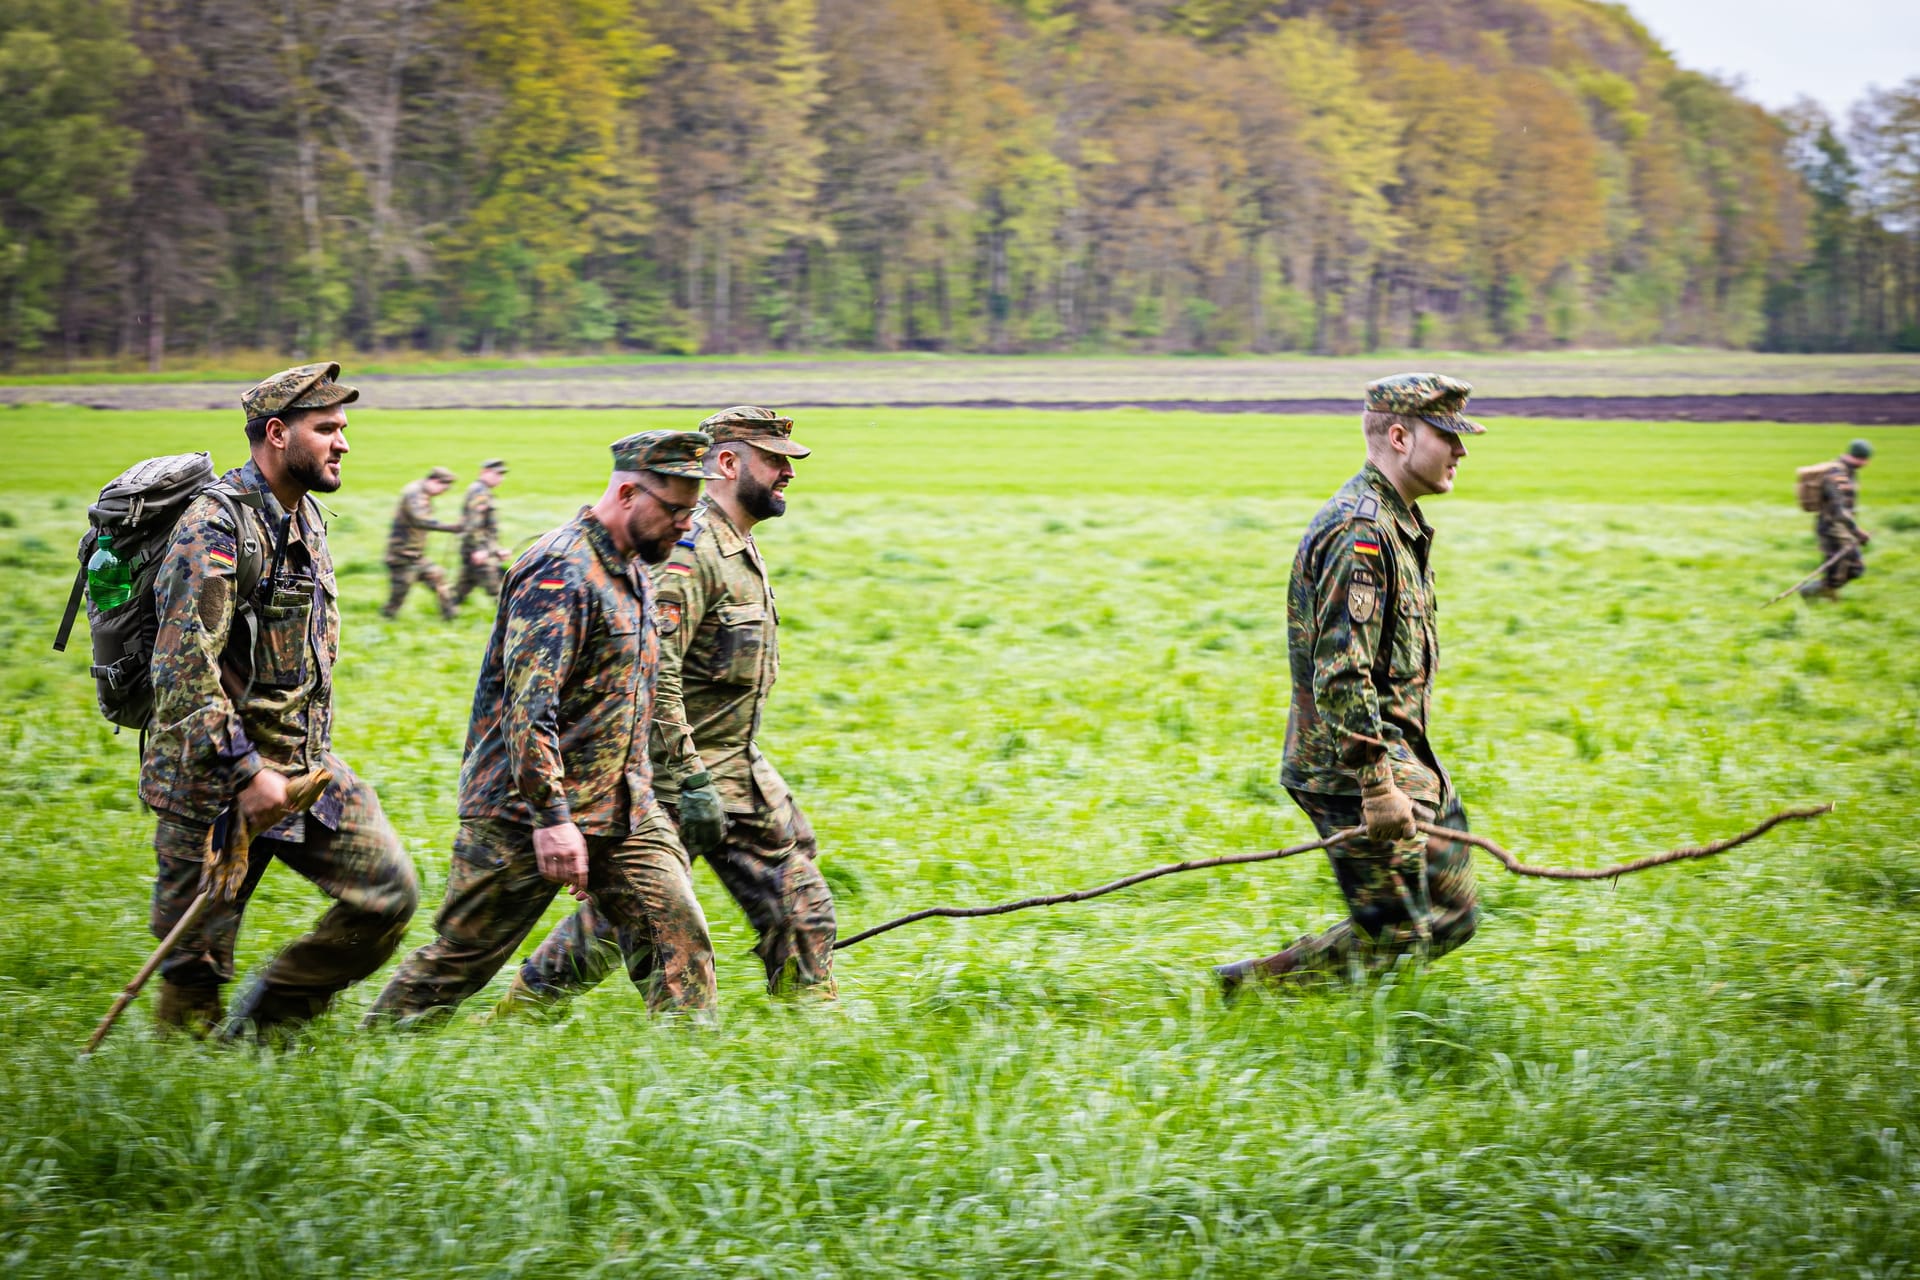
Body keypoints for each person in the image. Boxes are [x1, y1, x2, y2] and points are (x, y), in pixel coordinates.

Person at [367, 430, 720, 1026]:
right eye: (676, 509)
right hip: (523, 813)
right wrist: (553, 822)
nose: (686, 526)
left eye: (694, 510)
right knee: (461, 961)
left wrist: (679, 779)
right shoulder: (560, 569)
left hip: (623, 806)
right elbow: (528, 709)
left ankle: (697, 1080)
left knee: (677, 936)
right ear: (629, 493)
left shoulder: (634, 567)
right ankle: (371, 1052)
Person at [503, 407, 836, 1012]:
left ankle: (812, 1030)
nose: (788, 471)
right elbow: (654, 676)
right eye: (775, 459)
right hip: (673, 774)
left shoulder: (737, 546)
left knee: (799, 900)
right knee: (629, 921)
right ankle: (524, 1011)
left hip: (735, 766)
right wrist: (690, 779)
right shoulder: (690, 551)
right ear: (727, 463)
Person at [143, 361, 418, 1038]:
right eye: (326, 429)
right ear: (276, 434)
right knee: (195, 968)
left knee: (388, 895)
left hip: (302, 771)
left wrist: (281, 770)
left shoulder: (307, 517)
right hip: (214, 784)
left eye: (343, 428)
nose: (343, 442)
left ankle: (267, 1025)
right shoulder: (213, 526)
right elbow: (182, 671)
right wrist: (245, 773)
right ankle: (180, 1100)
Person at [1217, 373, 1484, 995]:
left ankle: (1259, 984)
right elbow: (1342, 671)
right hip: (1350, 766)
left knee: (1452, 914)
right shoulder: (1358, 534)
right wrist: (1376, 785)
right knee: (1398, 935)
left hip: (1405, 758)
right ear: (1399, 436)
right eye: (1448, 435)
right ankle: (1265, 997)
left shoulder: (1399, 526)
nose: (1461, 451)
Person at [382, 465, 462, 620]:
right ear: (434, 481)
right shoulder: (413, 493)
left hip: (416, 556)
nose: (442, 492)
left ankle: (451, 617)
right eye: (443, 488)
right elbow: (419, 520)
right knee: (398, 597)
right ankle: (386, 619)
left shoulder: (423, 494)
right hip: (401, 556)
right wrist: (450, 527)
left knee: (439, 579)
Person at [1803, 439, 1872, 601]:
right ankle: (1812, 594)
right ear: (1860, 458)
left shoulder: (1846, 472)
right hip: (1832, 530)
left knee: (1854, 569)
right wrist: (1858, 532)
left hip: (1839, 529)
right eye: (1864, 460)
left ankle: (1824, 596)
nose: (1866, 463)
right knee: (1839, 571)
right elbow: (1840, 511)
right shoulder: (1838, 476)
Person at [453, 459, 510, 607]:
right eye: (496, 474)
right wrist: (479, 549)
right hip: (477, 551)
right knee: (499, 590)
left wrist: (497, 549)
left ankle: (448, 612)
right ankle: (512, 622)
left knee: (463, 586)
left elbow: (487, 529)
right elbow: (473, 525)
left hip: (479, 549)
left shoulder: (483, 491)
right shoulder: (478, 492)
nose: (500, 478)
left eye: (502, 474)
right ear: (484, 473)